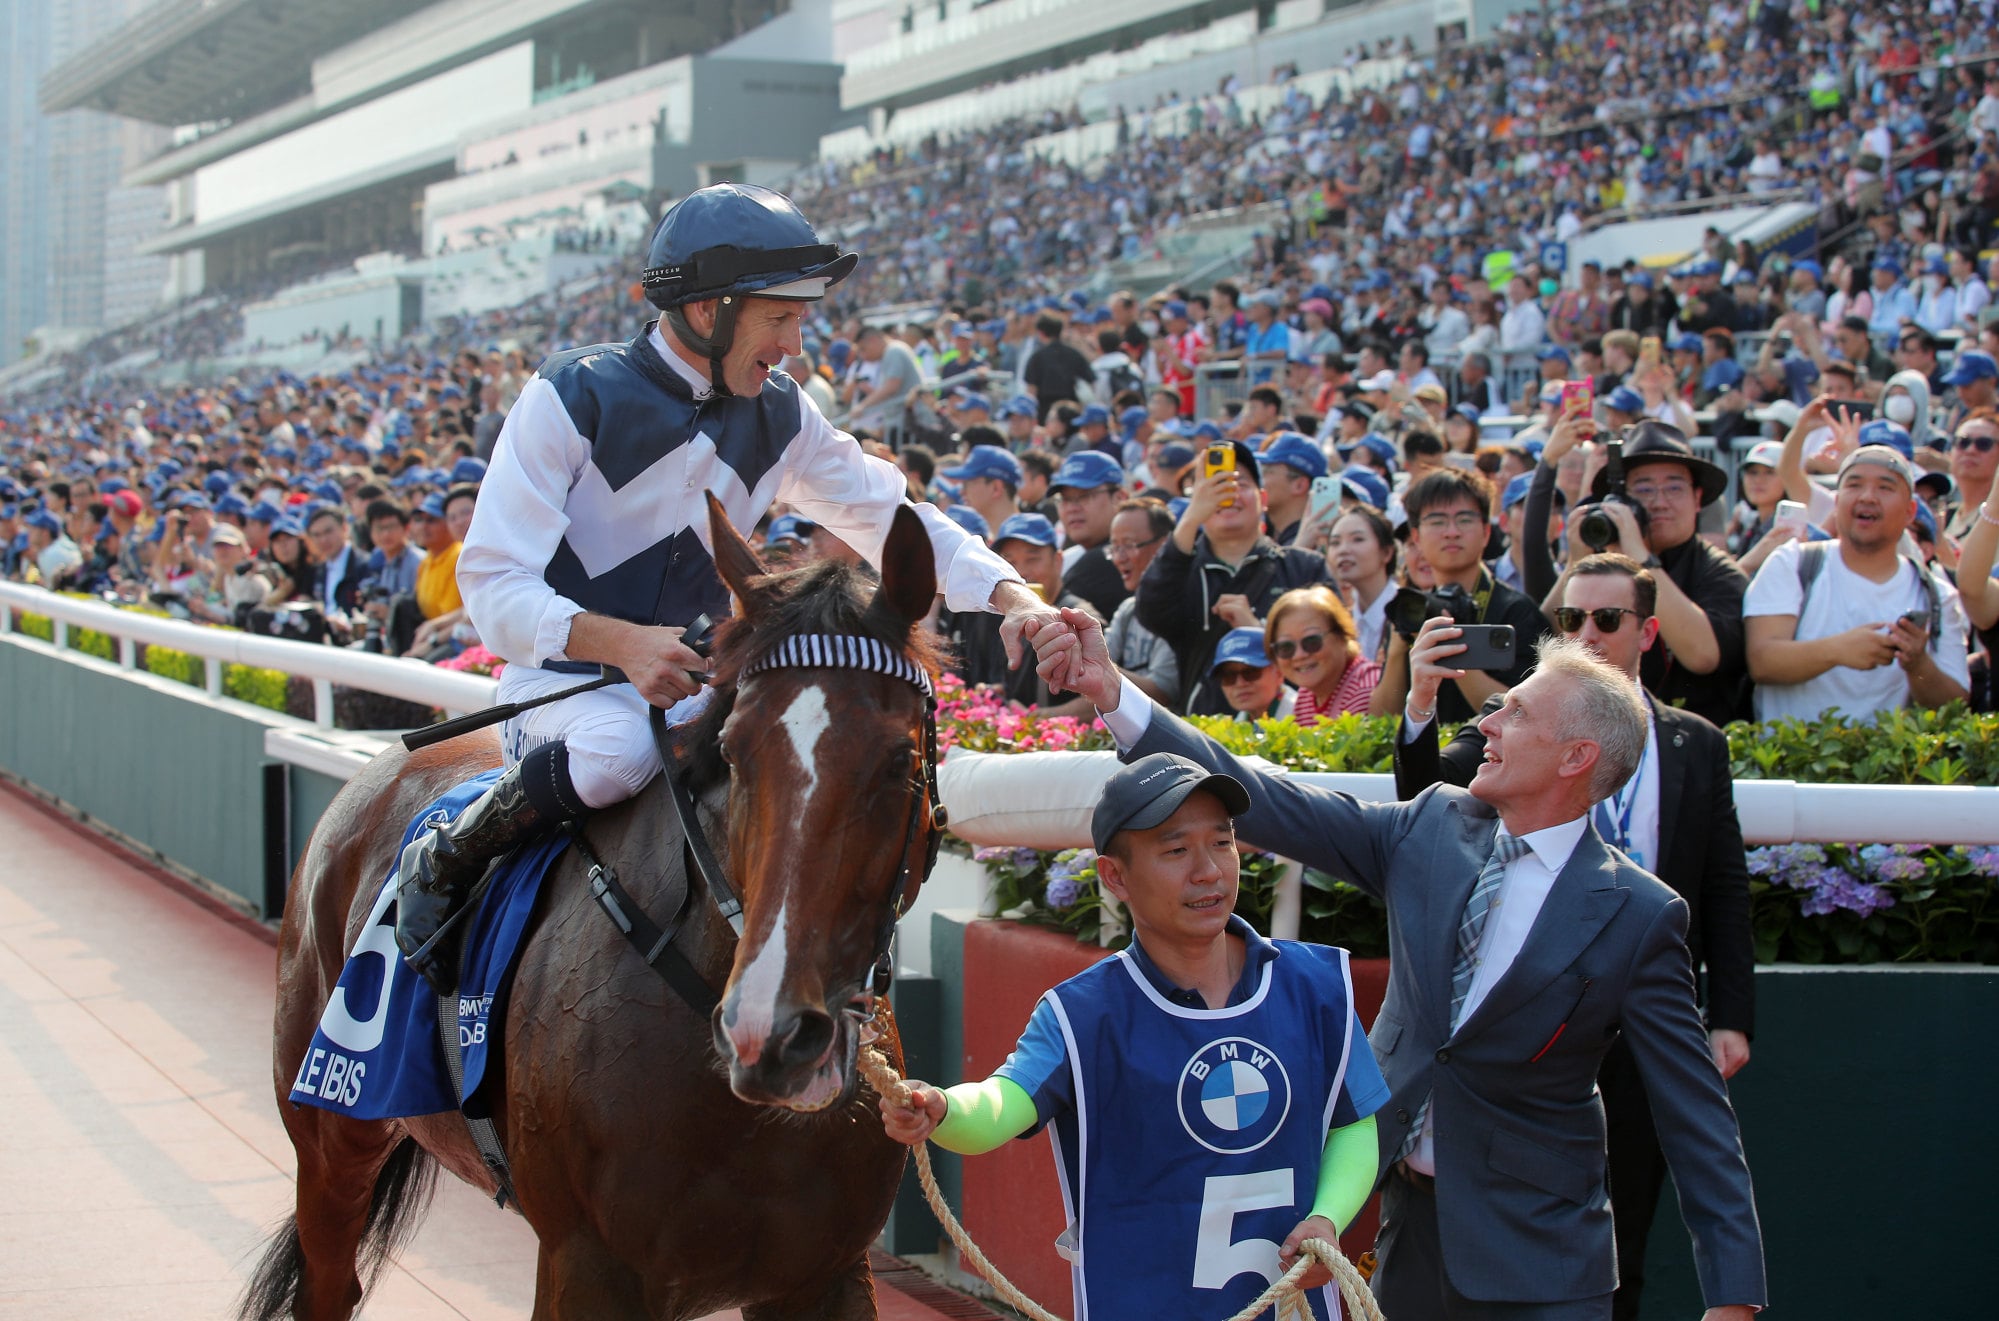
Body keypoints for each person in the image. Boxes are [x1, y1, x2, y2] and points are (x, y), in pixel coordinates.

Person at [408, 183, 1066, 992]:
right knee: (617, 754)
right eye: (780, 318)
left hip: (695, 690)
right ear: (711, 308)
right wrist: (615, 641)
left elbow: (890, 514)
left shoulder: (782, 415)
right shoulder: (571, 394)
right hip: (561, 687)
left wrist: (1012, 596)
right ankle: (459, 844)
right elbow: (492, 585)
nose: (795, 344)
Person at [1040, 623, 1767, 1321]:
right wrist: (1114, 695)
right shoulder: (1430, 826)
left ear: (1575, 757)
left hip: (1545, 1259)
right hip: (1406, 1235)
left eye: (1514, 713)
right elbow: (1268, 800)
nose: (1486, 723)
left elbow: (1694, 1112)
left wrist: (1731, 1292)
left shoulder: (1640, 912)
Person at [879, 752, 1387, 1319]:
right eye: (1176, 850)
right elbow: (1003, 1103)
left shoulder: (1316, 984)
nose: (1209, 871)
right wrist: (941, 1107)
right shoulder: (1081, 1014)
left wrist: (1328, 1219)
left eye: (1221, 842)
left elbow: (1354, 1125)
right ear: (1114, 876)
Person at [1395, 553, 1755, 1321]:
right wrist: (1421, 701)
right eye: (1567, 619)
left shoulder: (1696, 743)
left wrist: (1729, 1011)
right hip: (1528, 1043)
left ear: (1645, 631)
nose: (1584, 634)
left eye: (1605, 619)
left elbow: (1724, 883)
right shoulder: (1514, 729)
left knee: (1619, 1218)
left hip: (1649, 1014)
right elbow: (1425, 806)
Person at [1523, 417, 1752, 727]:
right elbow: (1544, 637)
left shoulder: (1720, 572)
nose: (1659, 502)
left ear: (1698, 499)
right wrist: (1578, 563)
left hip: (1692, 742)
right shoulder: (1605, 562)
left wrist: (1642, 557)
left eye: (1673, 488)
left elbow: (1702, 656)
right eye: (1644, 489)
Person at [1744, 443, 1969, 721]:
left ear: (1910, 512)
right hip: (1792, 760)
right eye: (1854, 485)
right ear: (1837, 503)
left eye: (1885, 487)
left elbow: (1955, 705)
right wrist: (1838, 650)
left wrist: (1918, 664)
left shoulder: (1937, 594)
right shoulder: (1792, 564)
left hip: (1893, 763)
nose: (1867, 497)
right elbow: (1762, 661)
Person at [1135, 440, 1330, 716]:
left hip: (1290, 732)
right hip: (1205, 737)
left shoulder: (1304, 568)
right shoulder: (1182, 573)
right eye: (1214, 487)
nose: (1229, 495)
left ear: (1263, 499)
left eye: (1240, 484)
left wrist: (1260, 637)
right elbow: (1150, 610)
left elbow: (1330, 656)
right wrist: (1190, 519)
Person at [1378, 468, 1550, 725]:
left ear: (1486, 532)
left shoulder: (1516, 612)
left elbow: (1524, 716)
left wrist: (1454, 653)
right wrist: (1395, 653)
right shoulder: (1412, 611)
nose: (1451, 532)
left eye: (1464, 520)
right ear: (1416, 537)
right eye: (1437, 522)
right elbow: (1381, 719)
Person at [1045, 497, 1179, 716]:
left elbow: (1161, 692)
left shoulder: (1179, 606)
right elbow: (1095, 678)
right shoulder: (1128, 608)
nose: (1120, 558)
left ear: (1164, 545)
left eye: (1129, 545)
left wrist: (1089, 663)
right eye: (1114, 548)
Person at [1265, 584, 1378, 721]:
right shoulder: (1306, 696)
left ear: (1342, 636)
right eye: (1286, 648)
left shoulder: (1365, 689)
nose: (1299, 655)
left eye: (1312, 642)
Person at [1049, 450, 1130, 619]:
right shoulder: (1074, 555)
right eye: (1065, 499)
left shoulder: (1103, 560)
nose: (1072, 508)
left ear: (1120, 498)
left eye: (1084, 496)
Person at [1257, 431, 1327, 546]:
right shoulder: (1265, 535)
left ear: (1299, 485)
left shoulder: (1316, 545)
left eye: (1267, 471)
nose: (1258, 480)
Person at [1209, 626, 1295, 719]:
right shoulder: (1241, 722)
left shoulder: (1304, 717)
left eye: (1250, 672)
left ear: (1279, 672)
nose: (1240, 683)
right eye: (1229, 676)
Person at [1023, 314, 1096, 420]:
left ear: (1041, 333)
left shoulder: (1037, 357)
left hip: (1045, 414)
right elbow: (1093, 382)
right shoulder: (1074, 354)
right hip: (1071, 412)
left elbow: (1031, 392)